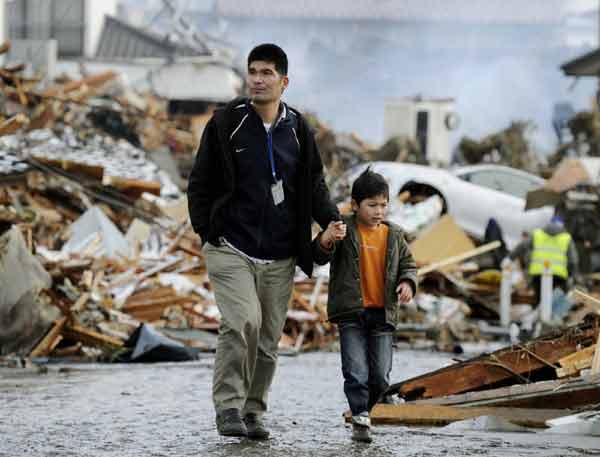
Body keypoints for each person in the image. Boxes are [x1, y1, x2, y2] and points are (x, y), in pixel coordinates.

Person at [187, 43, 344, 439]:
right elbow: (200, 182)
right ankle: (227, 407)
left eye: (267, 73)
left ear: (284, 81)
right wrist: (208, 230)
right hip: (231, 246)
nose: (257, 79)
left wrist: (330, 221)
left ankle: (253, 410)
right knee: (242, 322)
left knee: (268, 339)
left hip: (280, 252)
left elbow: (313, 184)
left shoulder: (298, 129)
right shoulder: (227, 123)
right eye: (253, 71)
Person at [314, 168, 417, 443]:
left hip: (383, 314)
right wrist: (327, 238)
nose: (378, 211)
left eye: (383, 205)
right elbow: (320, 254)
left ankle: (367, 410)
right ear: (355, 205)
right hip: (351, 314)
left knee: (381, 376)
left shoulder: (394, 234)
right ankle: (360, 415)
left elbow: (409, 264)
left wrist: (407, 283)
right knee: (355, 370)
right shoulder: (343, 229)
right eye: (372, 205)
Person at [507, 215, 579, 305]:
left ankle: (540, 317)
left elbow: (522, 246)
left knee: (540, 302)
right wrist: (572, 275)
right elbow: (573, 260)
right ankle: (551, 318)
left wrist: (509, 258)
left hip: (538, 273)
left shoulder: (537, 234)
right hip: (559, 276)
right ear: (562, 225)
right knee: (556, 304)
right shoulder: (567, 237)